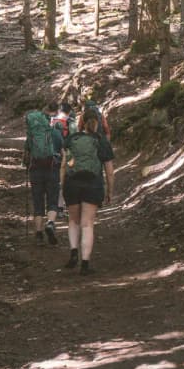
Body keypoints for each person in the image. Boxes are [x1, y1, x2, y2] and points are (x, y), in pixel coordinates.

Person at [60, 107, 115, 274]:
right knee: (87, 224)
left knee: (73, 221)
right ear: (98, 122)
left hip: (72, 183)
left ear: (81, 122)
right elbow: (109, 170)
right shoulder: (102, 141)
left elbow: (64, 165)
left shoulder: (71, 138)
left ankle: (73, 252)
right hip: (93, 184)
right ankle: (84, 264)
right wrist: (110, 191)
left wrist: (63, 186)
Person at [23, 104, 63, 245]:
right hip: (52, 170)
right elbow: (63, 154)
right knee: (52, 200)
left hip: (35, 170)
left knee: (38, 201)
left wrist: (27, 163)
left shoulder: (32, 135)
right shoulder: (56, 133)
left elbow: (26, 156)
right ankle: (50, 223)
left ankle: (39, 235)